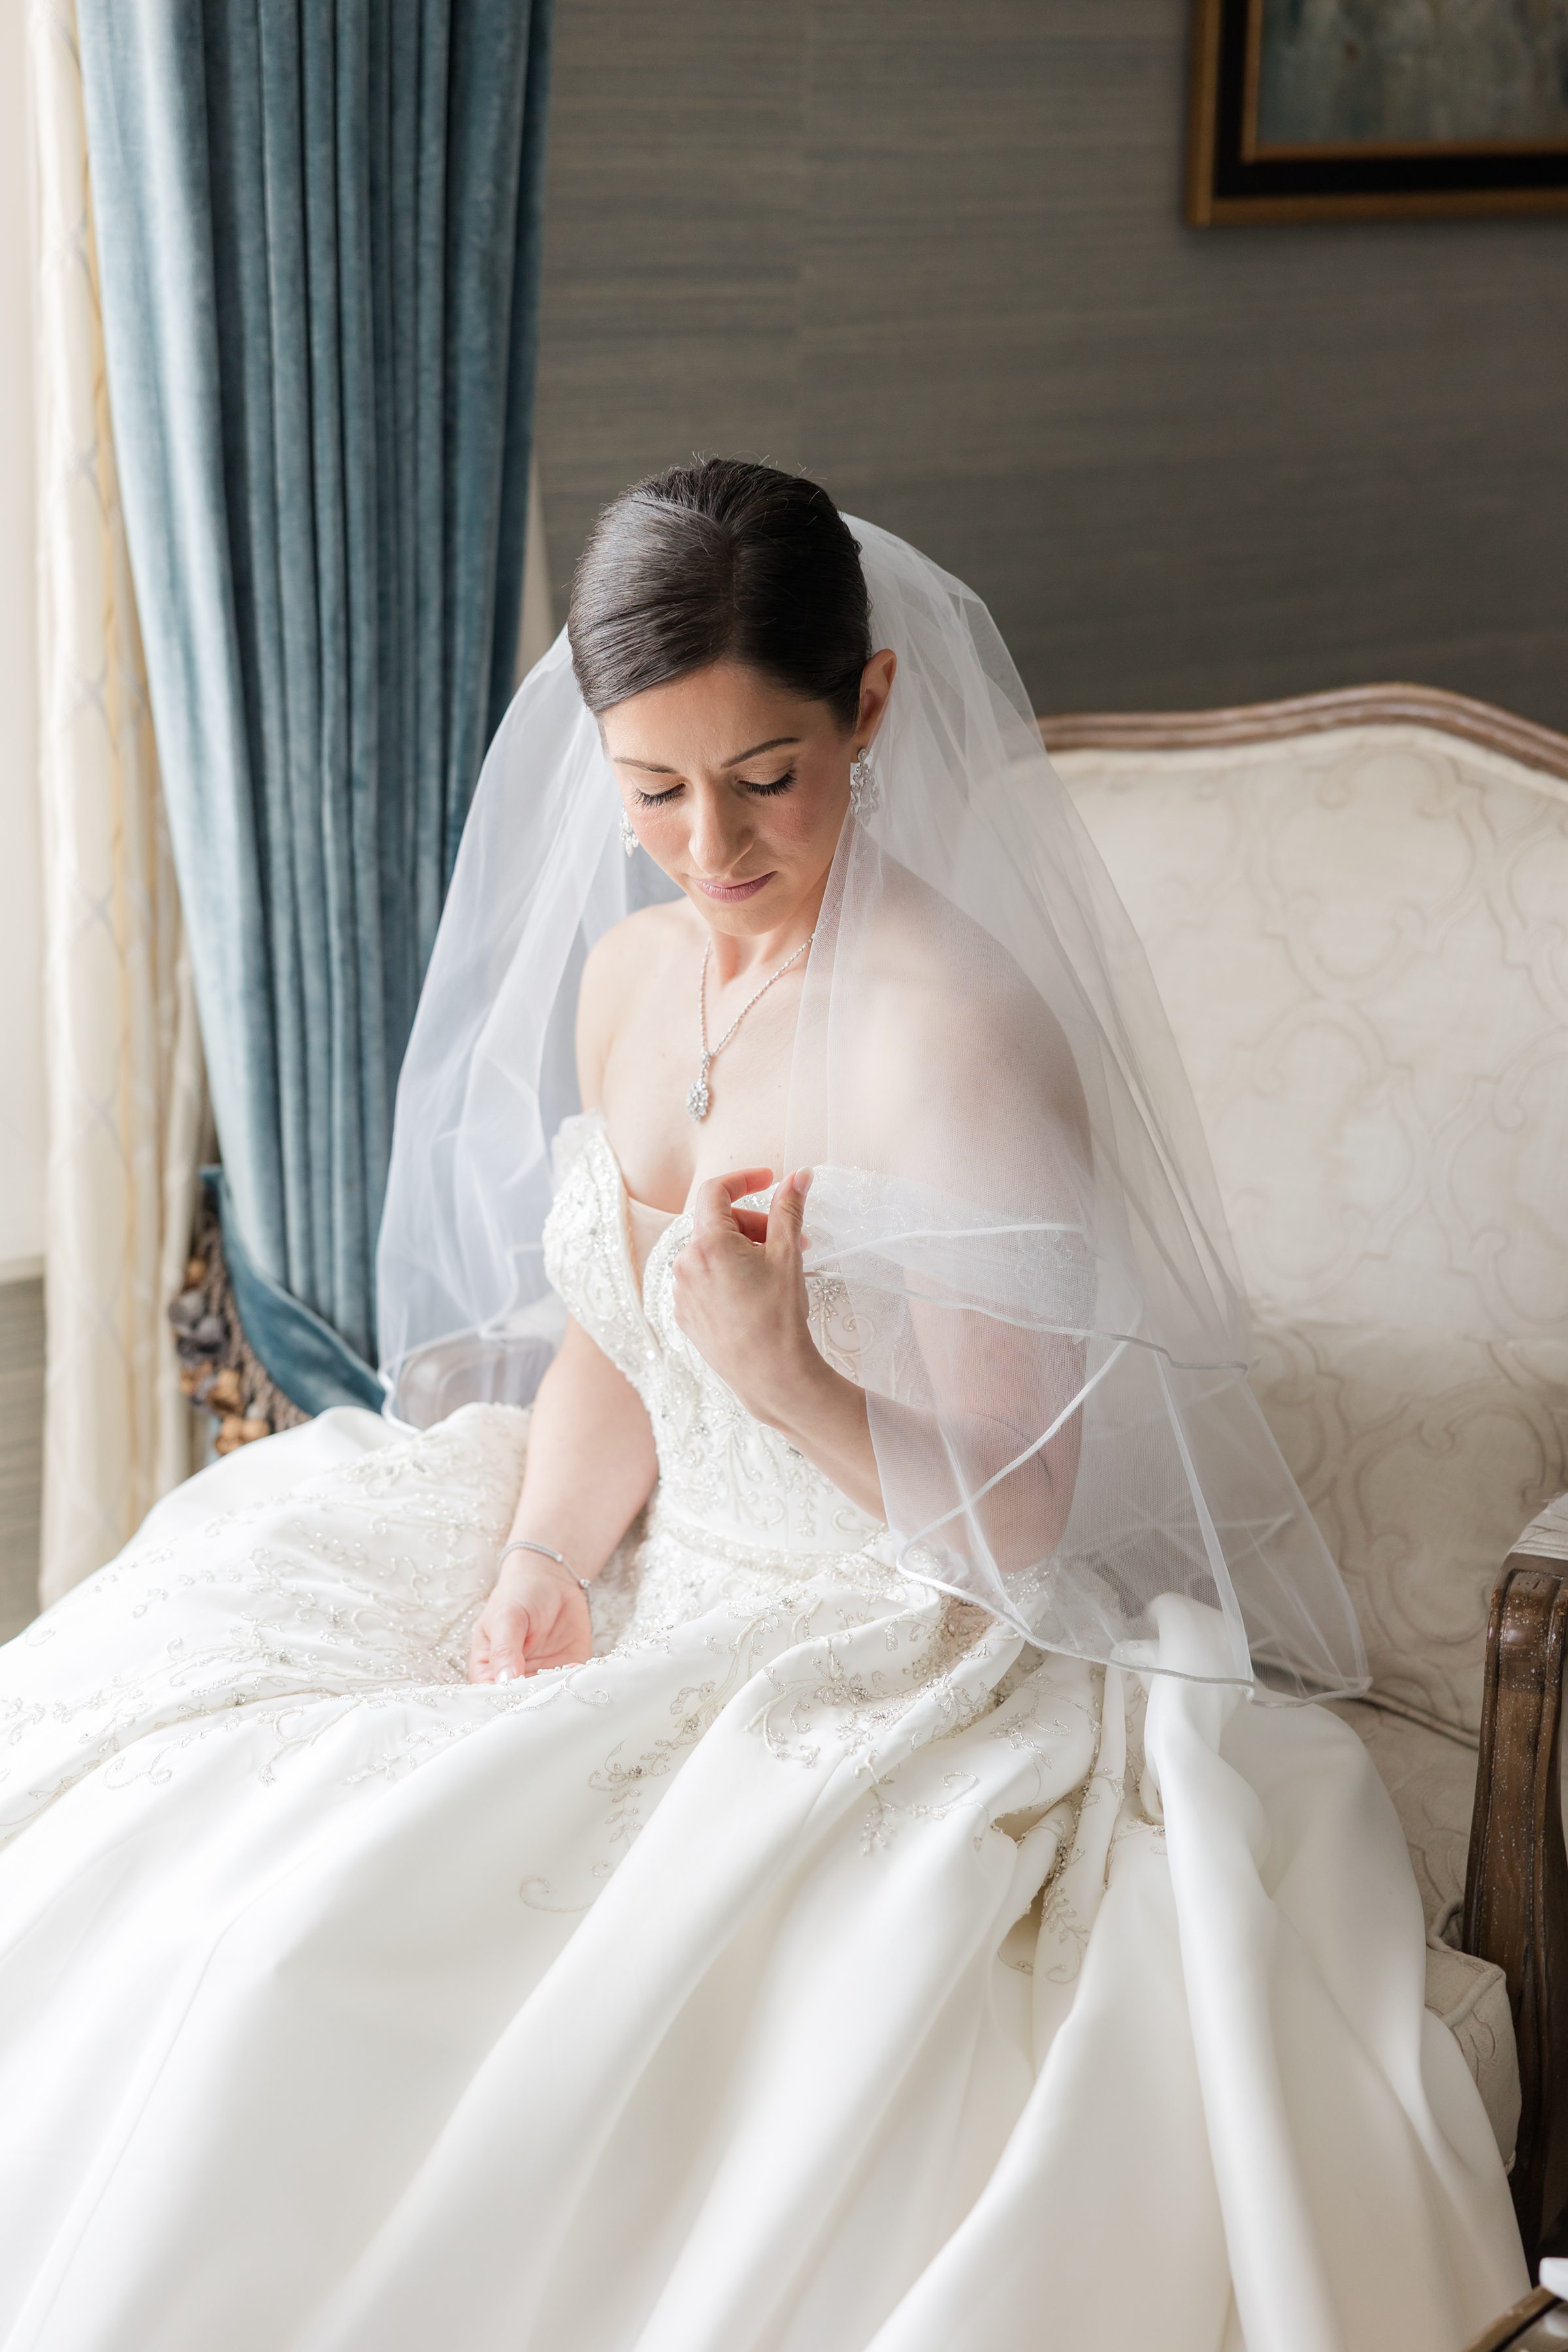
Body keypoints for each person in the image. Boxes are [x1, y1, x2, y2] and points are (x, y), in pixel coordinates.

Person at [0, 461, 1526, 2351]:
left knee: (418, 1978)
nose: (707, 844)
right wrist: (550, 1556)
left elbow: (1020, 1518)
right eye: (652, 789)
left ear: (867, 709)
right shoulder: (628, 981)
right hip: (645, 1558)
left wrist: (786, 1368)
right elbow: (613, 1347)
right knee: (192, 1836)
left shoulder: (952, 1033)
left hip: (885, 1622)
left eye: (763, 778)